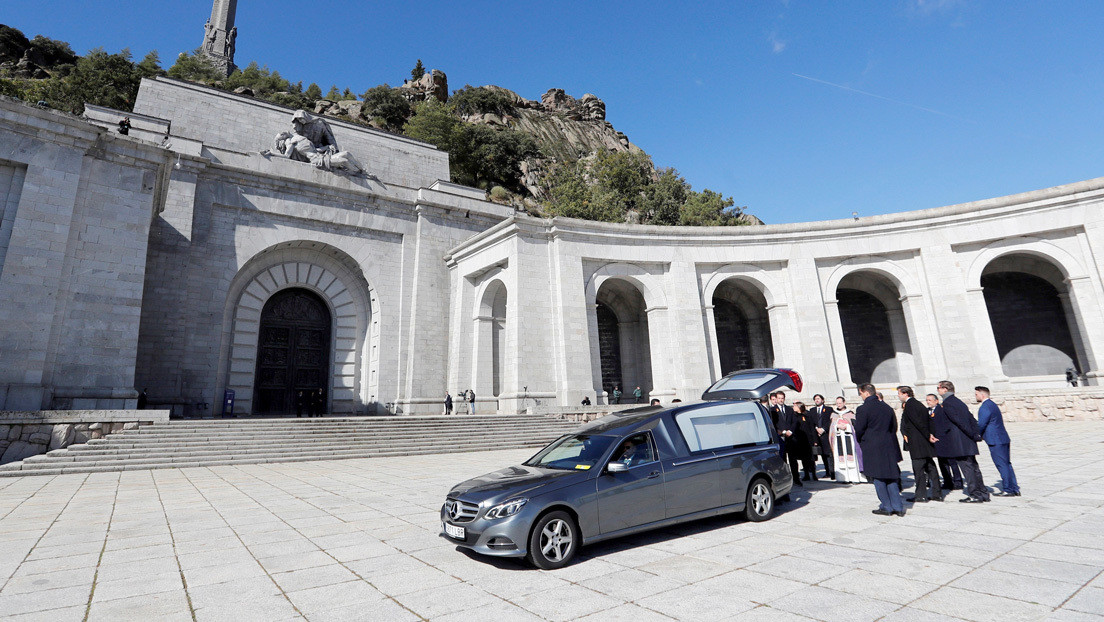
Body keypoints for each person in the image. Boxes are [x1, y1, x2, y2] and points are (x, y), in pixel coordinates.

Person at [853, 383, 905, 516]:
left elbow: (859, 429)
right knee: (891, 476)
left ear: (866, 393)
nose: (860, 396)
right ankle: (897, 506)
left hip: (872, 445)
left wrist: (862, 440)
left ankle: (886, 506)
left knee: (878, 477)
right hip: (888, 444)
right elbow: (894, 427)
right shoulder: (886, 407)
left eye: (861, 393)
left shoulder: (863, 409)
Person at [935, 381, 989, 503]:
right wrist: (975, 434)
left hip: (960, 442)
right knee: (974, 468)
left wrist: (972, 434)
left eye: (938, 388)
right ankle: (983, 493)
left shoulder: (948, 404)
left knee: (968, 469)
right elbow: (971, 419)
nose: (937, 390)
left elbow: (960, 422)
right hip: (967, 441)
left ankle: (975, 494)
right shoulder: (958, 402)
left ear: (945, 389)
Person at [899, 386, 942, 503]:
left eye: (899, 394)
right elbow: (928, 421)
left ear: (905, 394)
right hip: (924, 442)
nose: (898, 396)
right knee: (931, 467)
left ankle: (921, 495)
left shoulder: (910, 405)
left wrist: (928, 434)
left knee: (919, 470)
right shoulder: (918, 404)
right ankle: (937, 493)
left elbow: (917, 423)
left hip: (918, 443)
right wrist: (929, 434)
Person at [976, 386, 1020, 497]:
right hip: (1002, 438)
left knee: (1002, 465)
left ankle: (1008, 489)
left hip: (995, 440)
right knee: (1007, 464)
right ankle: (1014, 488)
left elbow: (981, 424)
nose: (975, 396)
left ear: (982, 395)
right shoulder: (992, 404)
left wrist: (977, 435)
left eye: (976, 394)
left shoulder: (985, 407)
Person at [927, 393, 963, 490]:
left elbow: (946, 425)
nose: (928, 402)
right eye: (927, 400)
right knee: (942, 462)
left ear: (936, 401)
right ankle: (948, 481)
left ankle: (958, 481)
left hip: (945, 439)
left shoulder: (941, 410)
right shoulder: (928, 412)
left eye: (930, 400)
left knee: (952, 462)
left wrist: (940, 435)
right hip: (936, 441)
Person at [771, 392, 803, 487]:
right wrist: (778, 431)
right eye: (779, 398)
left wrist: (791, 431)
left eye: (782, 398)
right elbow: (772, 423)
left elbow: (795, 421)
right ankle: (784, 480)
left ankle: (796, 478)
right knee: (783, 460)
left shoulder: (789, 409)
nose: (781, 400)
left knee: (793, 459)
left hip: (790, 438)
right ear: (776, 399)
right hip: (780, 437)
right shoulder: (772, 410)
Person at [810, 394, 835, 480]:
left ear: (822, 400)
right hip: (817, 435)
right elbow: (812, 422)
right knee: (822, 455)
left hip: (826, 434)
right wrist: (817, 429)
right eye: (815, 399)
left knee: (829, 454)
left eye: (818, 399)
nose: (817, 400)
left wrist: (823, 429)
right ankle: (827, 471)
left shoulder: (828, 409)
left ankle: (832, 472)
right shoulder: (812, 410)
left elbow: (830, 421)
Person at [792, 402, 817, 481]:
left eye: (795, 406)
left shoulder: (807, 416)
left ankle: (814, 474)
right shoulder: (795, 416)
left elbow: (812, 428)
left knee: (811, 458)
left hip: (808, 440)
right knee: (803, 458)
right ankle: (806, 474)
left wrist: (815, 440)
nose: (793, 407)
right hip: (800, 440)